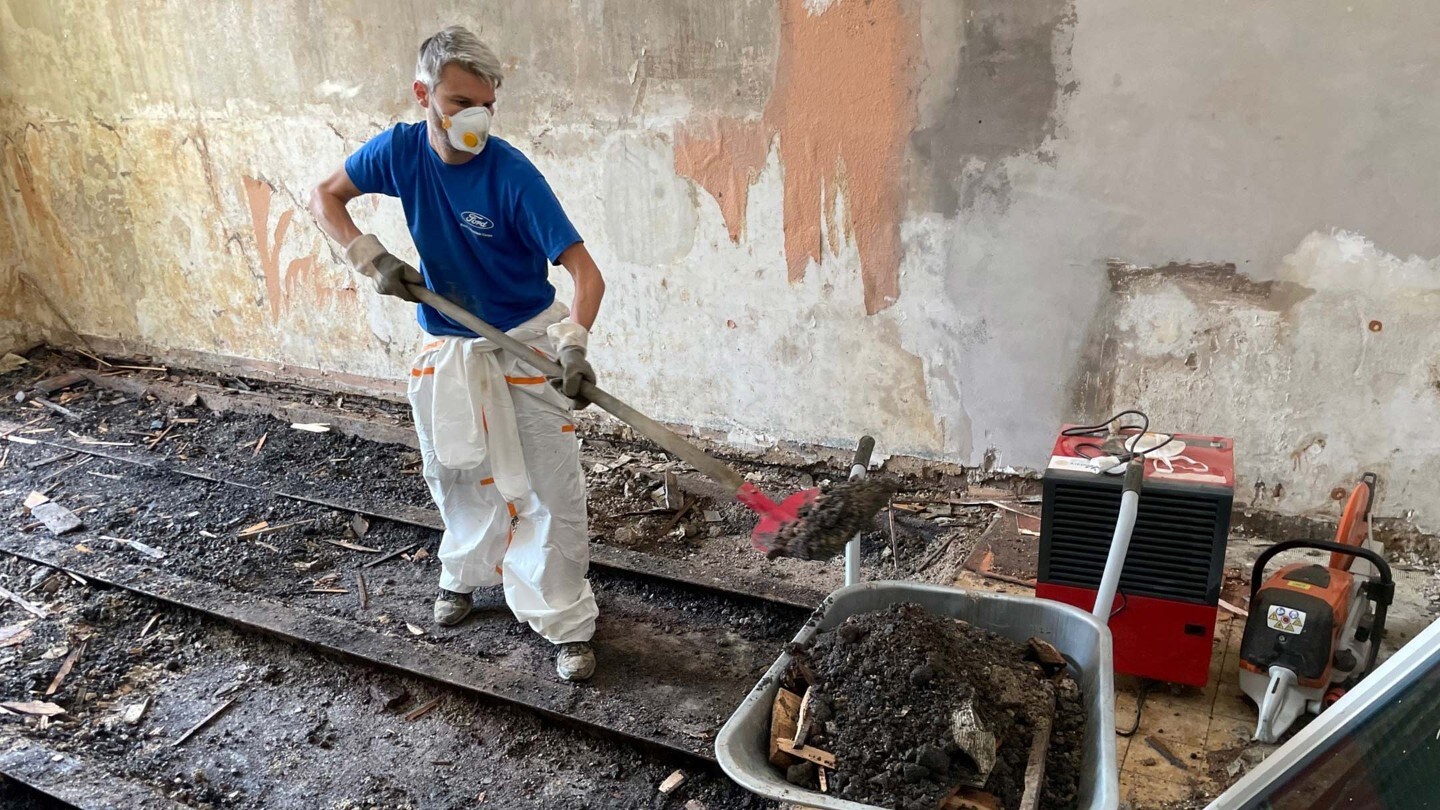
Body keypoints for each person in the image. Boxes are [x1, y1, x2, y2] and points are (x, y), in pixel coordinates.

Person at [308, 25, 604, 681]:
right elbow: (323, 196)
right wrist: (368, 255)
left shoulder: (513, 176)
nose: (476, 119)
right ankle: (466, 575)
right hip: (447, 342)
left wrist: (575, 347)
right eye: (459, 103)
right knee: (457, 471)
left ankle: (564, 618)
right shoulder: (401, 153)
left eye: (487, 106)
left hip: (524, 344)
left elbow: (588, 275)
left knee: (548, 489)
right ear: (423, 94)